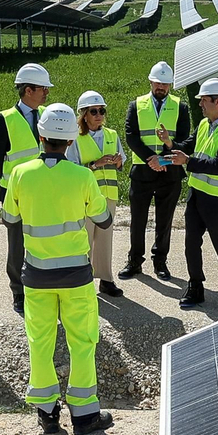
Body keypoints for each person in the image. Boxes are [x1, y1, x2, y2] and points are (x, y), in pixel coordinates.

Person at [1, 103, 115, 435]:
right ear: (70, 141)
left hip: (36, 276)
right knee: (82, 341)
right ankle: (84, 416)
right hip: (77, 277)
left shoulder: (21, 173)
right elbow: (104, 220)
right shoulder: (82, 176)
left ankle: (47, 413)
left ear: (41, 135)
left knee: (40, 340)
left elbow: (9, 218)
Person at [168, 78, 218, 310]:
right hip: (197, 194)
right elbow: (188, 146)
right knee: (191, 243)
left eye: (204, 100)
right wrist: (169, 143)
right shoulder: (204, 124)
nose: (201, 104)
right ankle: (195, 287)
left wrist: (188, 161)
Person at [0, 63, 53, 315]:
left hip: (44, 192)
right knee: (17, 245)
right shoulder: (5, 119)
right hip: (15, 193)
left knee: (44, 240)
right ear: (28, 90)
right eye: (43, 89)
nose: (46, 93)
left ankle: (42, 287)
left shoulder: (48, 114)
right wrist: (17, 181)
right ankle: (19, 291)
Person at [120, 60, 191, 281]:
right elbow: (131, 137)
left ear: (171, 85)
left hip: (169, 173)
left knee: (164, 221)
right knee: (138, 219)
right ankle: (135, 261)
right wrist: (151, 159)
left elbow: (183, 141)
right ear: (151, 82)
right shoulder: (136, 105)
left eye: (166, 84)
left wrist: (164, 160)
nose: (161, 87)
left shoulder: (181, 107)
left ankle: (160, 261)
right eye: (158, 83)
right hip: (143, 171)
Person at [69, 90, 127, 298]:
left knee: (105, 239)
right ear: (84, 114)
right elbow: (71, 167)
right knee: (84, 239)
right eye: (94, 111)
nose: (99, 114)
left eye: (102, 110)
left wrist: (119, 161)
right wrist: (95, 164)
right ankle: (82, 281)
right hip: (85, 197)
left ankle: (106, 280)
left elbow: (123, 160)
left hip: (108, 196)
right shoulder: (75, 138)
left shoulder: (112, 134)